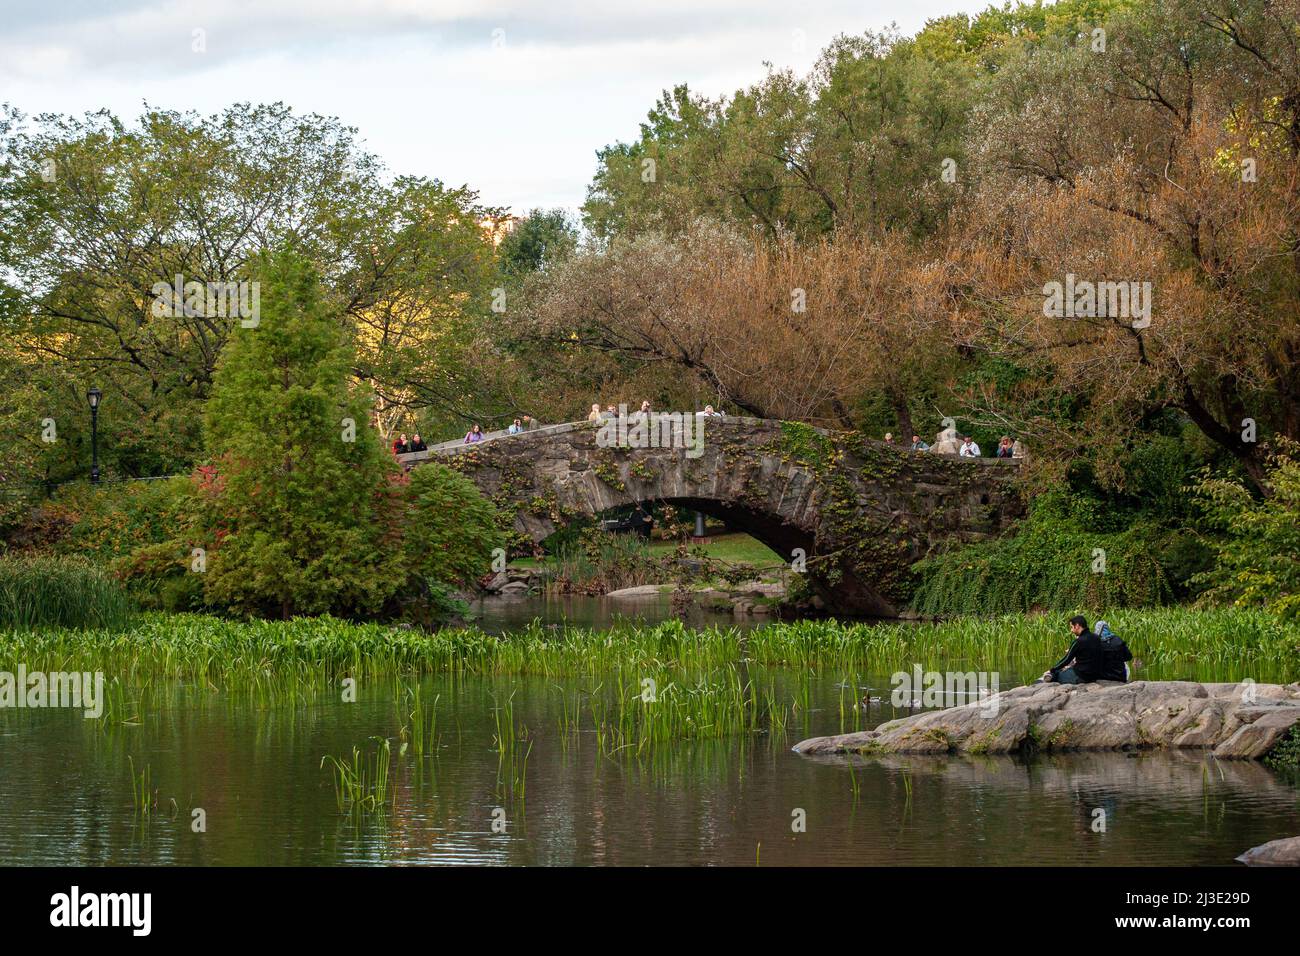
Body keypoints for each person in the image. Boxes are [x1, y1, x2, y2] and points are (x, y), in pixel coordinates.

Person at [1041, 615, 1104, 685]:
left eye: (1071, 627)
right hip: (1095, 676)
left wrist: (1051, 669)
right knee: (1065, 669)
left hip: (1081, 676)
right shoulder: (1096, 638)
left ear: (1077, 626)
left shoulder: (1078, 641)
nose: (1071, 630)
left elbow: (1066, 659)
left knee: (1057, 673)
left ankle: (1051, 676)